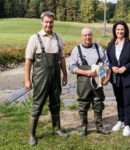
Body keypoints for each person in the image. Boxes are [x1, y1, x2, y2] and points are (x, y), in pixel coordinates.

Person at [25, 11, 68, 146]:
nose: (49, 24)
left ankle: (57, 129)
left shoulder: (58, 38)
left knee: (55, 103)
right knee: (37, 105)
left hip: (55, 78)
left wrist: (65, 74)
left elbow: (62, 58)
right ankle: (32, 135)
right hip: (40, 78)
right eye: (46, 22)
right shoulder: (34, 38)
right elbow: (28, 61)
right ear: (42, 22)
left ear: (53, 22)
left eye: (51, 22)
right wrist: (27, 79)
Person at [69, 27, 110, 136]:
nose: (88, 37)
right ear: (81, 37)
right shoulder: (76, 50)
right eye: (85, 35)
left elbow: (106, 64)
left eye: (89, 35)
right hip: (83, 82)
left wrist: (108, 77)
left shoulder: (98, 48)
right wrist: (86, 72)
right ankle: (84, 128)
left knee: (98, 103)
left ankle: (99, 127)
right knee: (83, 104)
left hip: (98, 81)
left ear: (92, 36)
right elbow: (72, 68)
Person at [107, 21, 130, 136]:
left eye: (122, 29)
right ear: (114, 31)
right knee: (119, 101)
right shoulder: (111, 44)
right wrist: (112, 67)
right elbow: (108, 61)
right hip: (116, 77)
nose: (120, 31)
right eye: (118, 30)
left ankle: (127, 125)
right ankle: (120, 121)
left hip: (129, 77)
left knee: (128, 101)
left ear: (125, 30)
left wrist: (125, 67)